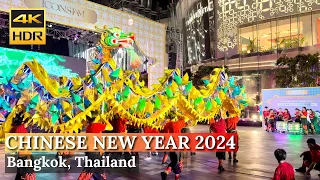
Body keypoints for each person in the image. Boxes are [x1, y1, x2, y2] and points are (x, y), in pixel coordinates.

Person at [78, 110, 108, 180]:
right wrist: (104, 119)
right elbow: (110, 127)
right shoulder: (96, 125)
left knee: (95, 170)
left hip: (92, 151)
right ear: (95, 117)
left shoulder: (89, 126)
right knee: (91, 170)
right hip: (95, 152)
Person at [11, 110, 36, 180]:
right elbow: (29, 121)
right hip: (25, 155)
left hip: (23, 155)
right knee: (27, 174)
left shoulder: (19, 129)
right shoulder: (20, 128)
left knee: (21, 173)